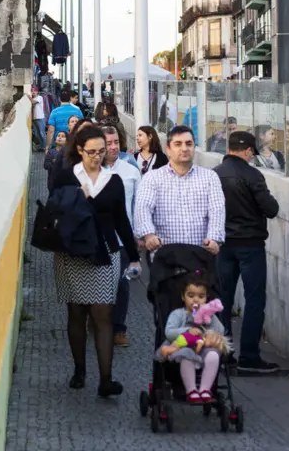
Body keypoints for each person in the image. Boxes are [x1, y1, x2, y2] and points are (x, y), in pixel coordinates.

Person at [49, 126, 140, 396]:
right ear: (79, 150)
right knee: (76, 313)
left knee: (103, 315)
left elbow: (121, 219)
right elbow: (54, 208)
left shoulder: (113, 181)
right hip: (72, 252)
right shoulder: (67, 176)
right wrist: (81, 198)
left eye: (102, 151)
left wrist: (134, 257)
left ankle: (105, 379)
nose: (98, 156)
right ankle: (79, 369)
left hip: (105, 253)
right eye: (92, 152)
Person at [214, 130, 281, 374]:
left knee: (222, 299)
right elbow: (271, 209)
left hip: (222, 244)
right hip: (251, 244)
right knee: (254, 300)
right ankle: (249, 356)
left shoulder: (214, 175)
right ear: (248, 151)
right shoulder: (253, 175)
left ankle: (223, 352)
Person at [133, 125, 226, 256]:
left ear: (194, 147)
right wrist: (149, 235)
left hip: (200, 257)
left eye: (189, 144)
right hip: (163, 258)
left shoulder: (210, 177)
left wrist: (214, 239)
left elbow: (217, 210)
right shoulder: (152, 178)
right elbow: (143, 208)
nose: (184, 148)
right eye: (178, 144)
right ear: (168, 149)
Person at [157, 274, 228, 404]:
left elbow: (221, 330)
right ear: (183, 297)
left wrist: (212, 334)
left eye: (201, 297)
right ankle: (191, 390)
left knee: (213, 355)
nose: (196, 300)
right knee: (187, 357)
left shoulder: (209, 316)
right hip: (182, 346)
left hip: (203, 347)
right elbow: (169, 332)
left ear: (207, 299)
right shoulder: (178, 314)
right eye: (191, 296)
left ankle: (205, 390)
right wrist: (186, 330)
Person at [102, 125, 142, 348]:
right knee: (101, 285)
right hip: (98, 239)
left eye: (116, 142)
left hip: (123, 240)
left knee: (122, 284)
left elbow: (139, 205)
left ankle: (119, 328)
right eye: (108, 143)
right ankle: (100, 322)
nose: (114, 147)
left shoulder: (130, 171)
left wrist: (140, 235)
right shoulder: (89, 171)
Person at [30, 85, 47, 152]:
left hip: (40, 118)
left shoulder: (39, 97)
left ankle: (45, 147)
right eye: (32, 91)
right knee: (38, 134)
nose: (33, 92)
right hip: (34, 118)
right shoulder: (32, 98)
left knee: (42, 133)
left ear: (37, 92)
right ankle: (41, 147)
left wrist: (28, 96)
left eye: (35, 90)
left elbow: (33, 102)